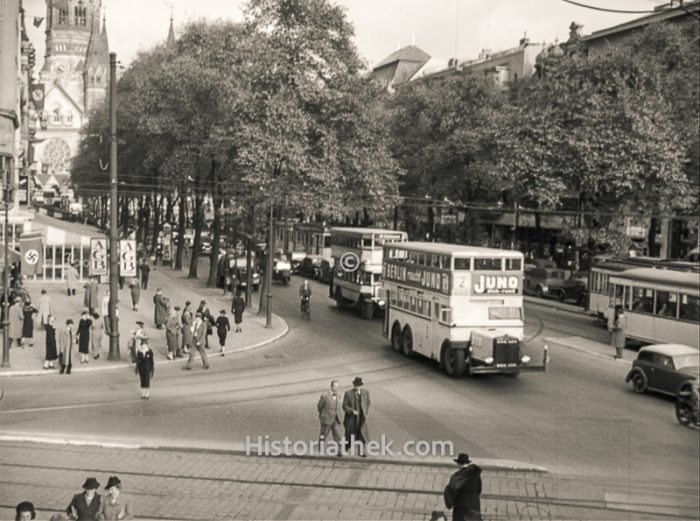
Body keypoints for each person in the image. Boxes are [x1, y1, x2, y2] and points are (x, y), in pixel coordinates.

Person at [443, 453, 483, 521]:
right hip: (474, 505)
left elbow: (452, 490)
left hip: (461, 506)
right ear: (467, 463)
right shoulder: (476, 474)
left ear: (458, 463)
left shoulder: (457, 476)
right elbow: (479, 490)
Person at [342, 376, 370, 457]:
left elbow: (368, 403)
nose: (357, 387)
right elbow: (344, 405)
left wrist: (365, 412)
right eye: (356, 386)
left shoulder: (366, 392)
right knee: (350, 434)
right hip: (351, 418)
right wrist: (351, 411)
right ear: (353, 385)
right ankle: (346, 448)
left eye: (359, 386)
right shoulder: (348, 393)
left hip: (361, 418)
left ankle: (361, 451)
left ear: (361, 385)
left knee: (361, 434)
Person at [317, 380, 343, 452]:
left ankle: (339, 451)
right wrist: (324, 414)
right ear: (331, 387)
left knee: (338, 436)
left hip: (336, 419)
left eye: (338, 387)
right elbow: (320, 406)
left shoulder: (339, 395)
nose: (336, 388)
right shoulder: (325, 396)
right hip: (327, 419)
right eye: (335, 386)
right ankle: (321, 449)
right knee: (323, 435)